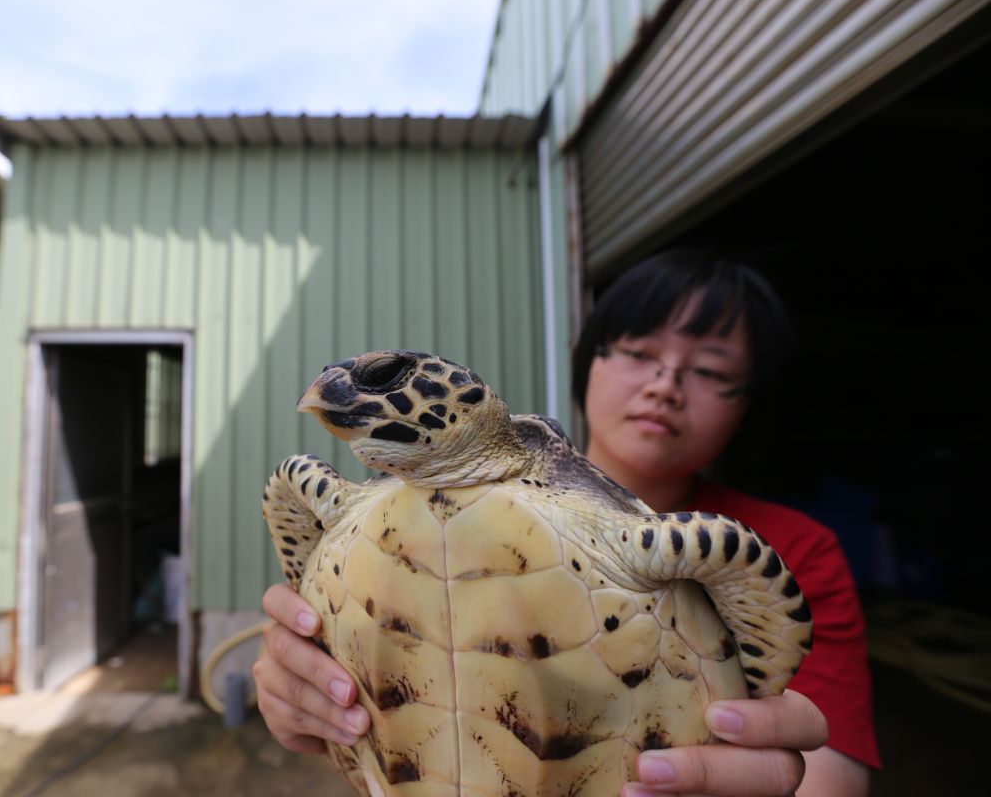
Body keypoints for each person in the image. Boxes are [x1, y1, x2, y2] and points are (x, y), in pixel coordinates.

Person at [253, 249, 879, 796]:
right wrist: (303, 682)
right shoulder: (343, 508)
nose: (665, 384)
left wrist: (757, 721)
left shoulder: (780, 549)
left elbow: (829, 772)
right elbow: (314, 611)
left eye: (712, 370)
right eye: (638, 351)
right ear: (589, 363)